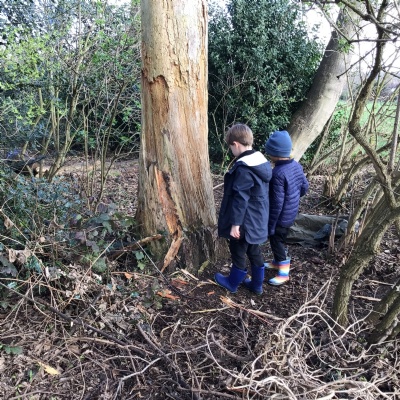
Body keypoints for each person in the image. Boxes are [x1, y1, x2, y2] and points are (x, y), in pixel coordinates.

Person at [215, 123, 272, 295]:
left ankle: (232, 283)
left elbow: (241, 198)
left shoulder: (244, 168)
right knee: (254, 250)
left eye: (230, 147)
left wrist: (235, 224)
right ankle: (257, 285)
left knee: (238, 249)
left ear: (236, 144)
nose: (231, 150)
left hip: (245, 221)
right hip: (258, 218)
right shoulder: (261, 163)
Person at [264, 130, 309, 285]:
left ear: (274, 154)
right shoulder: (296, 166)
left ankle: (284, 272)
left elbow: (276, 203)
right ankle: (277, 262)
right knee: (279, 240)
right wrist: (293, 198)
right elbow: (304, 187)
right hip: (291, 213)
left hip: (280, 218)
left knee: (276, 241)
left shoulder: (277, 173)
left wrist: (271, 225)